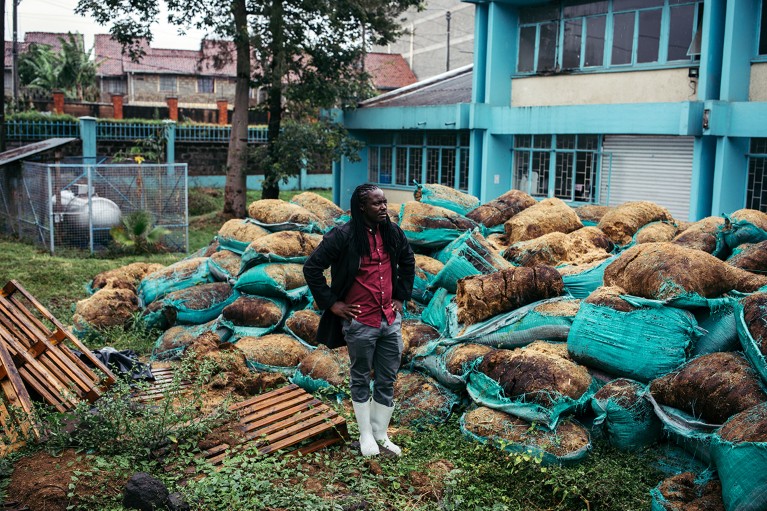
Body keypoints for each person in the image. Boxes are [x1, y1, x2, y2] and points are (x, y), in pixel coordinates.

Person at [303, 184, 415, 456]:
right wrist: (333, 304)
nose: (384, 207)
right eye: (377, 203)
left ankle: (381, 434)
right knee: (361, 377)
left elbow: (408, 262)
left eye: (385, 202)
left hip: (389, 320)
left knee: (388, 377)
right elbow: (312, 268)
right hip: (360, 321)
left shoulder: (392, 232)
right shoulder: (343, 236)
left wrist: (400, 298)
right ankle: (366, 435)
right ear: (362, 207)